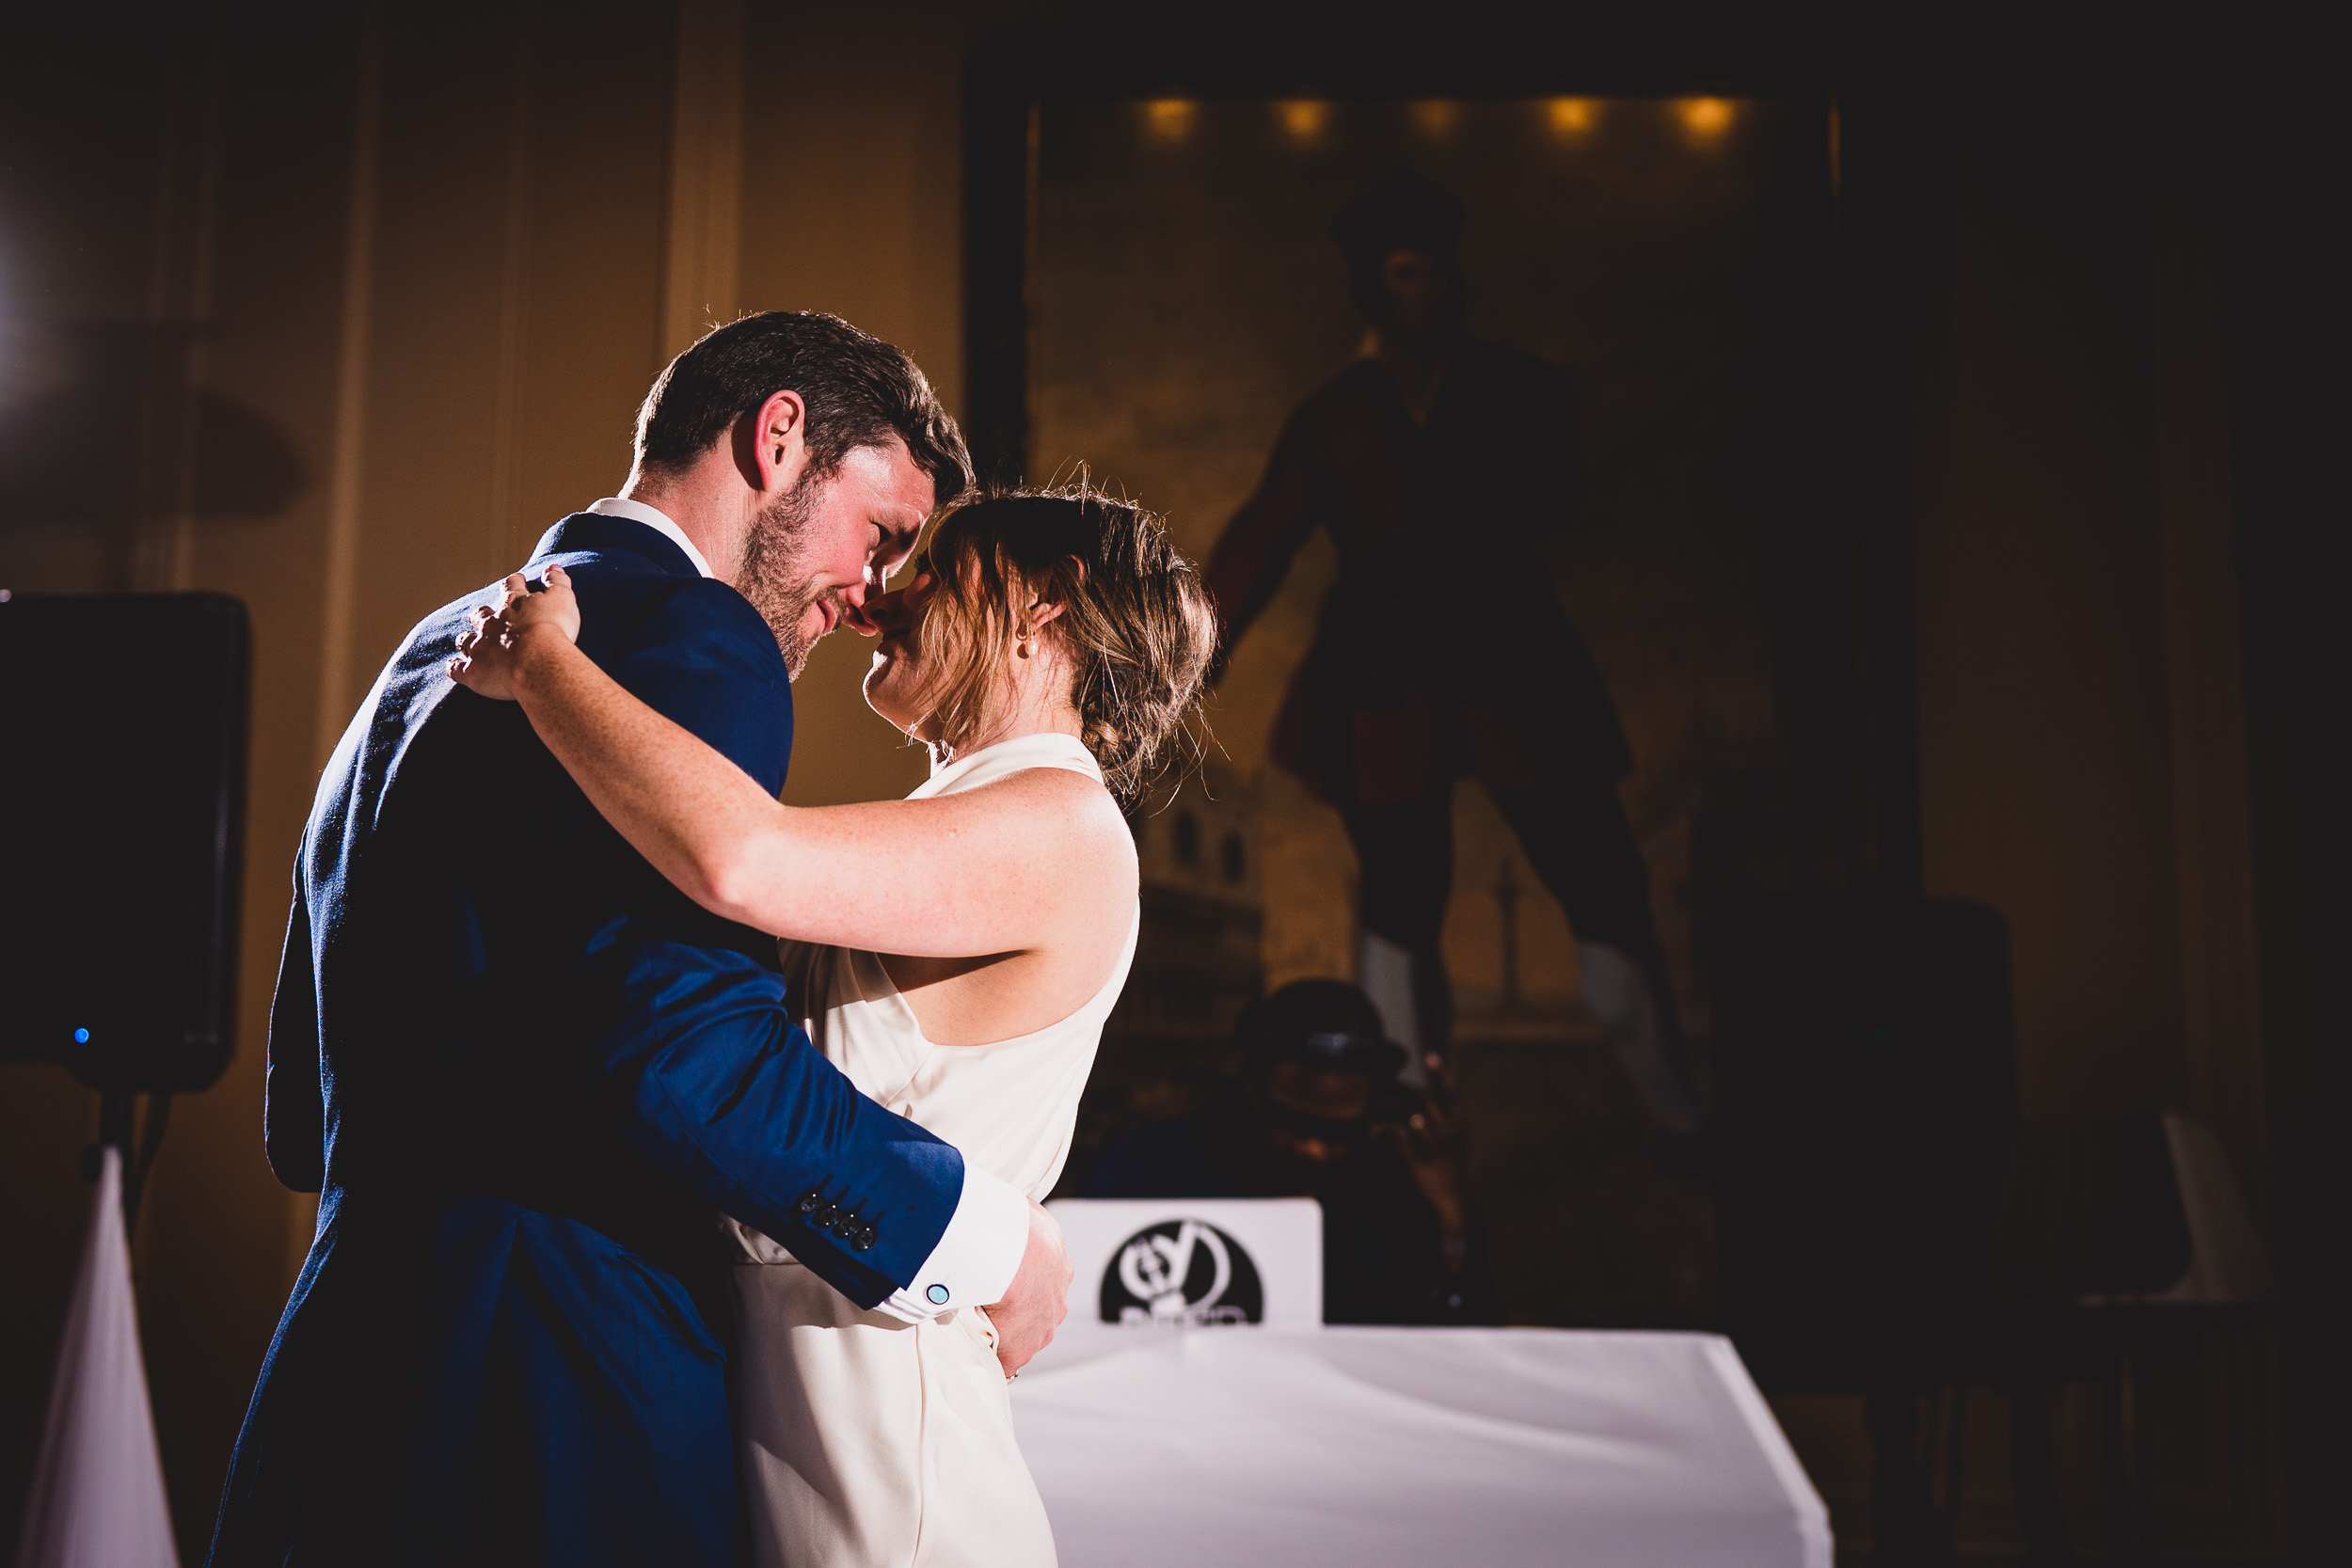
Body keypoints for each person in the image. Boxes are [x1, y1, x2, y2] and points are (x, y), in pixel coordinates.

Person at [209, 313, 1079, 1568]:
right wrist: (982, 1237)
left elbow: (301, 1107)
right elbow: (684, 1040)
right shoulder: (694, 632)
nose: (868, 591)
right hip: (557, 1375)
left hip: (341, 1354)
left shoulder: (427, 649)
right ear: (778, 441)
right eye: (878, 532)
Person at [450, 484, 1216, 1567]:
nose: (882, 599)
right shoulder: (965, 819)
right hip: (782, 1412)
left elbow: (738, 858)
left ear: (1045, 601)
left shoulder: (1067, 822)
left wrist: (545, 666)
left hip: (889, 1462)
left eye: (934, 570)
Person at [1202, 172, 1701, 1133]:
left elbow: (1549, 488)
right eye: (1403, 275)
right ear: (1372, 289)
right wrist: (1192, 656)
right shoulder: (1334, 415)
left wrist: (1451, 548)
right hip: (1387, 680)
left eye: (1436, 274)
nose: (1423, 293)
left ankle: (1678, 1111)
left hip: (1513, 661)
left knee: (1602, 876)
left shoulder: (1522, 392)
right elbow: (1263, 535)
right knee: (1398, 894)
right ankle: (1402, 1113)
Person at [1082, 979, 1503, 1326]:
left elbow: (1465, 1338)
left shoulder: (1392, 1183)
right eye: (1294, 1123)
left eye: (1338, 1130)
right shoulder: (1150, 1165)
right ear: (1251, 1086)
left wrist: (1450, 1217)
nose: (1315, 1147)